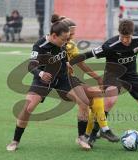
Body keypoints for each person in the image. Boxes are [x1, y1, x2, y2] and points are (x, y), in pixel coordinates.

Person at [70, 19, 138, 147]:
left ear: (132, 34)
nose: (125, 40)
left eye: (127, 37)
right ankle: (93, 134)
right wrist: (69, 62)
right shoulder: (110, 46)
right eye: (122, 37)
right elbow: (88, 54)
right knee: (109, 102)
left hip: (132, 75)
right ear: (119, 33)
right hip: (113, 76)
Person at [6, 18, 93, 151]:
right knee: (28, 108)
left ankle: (81, 137)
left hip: (62, 78)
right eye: (63, 39)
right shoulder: (39, 46)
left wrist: (67, 64)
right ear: (53, 36)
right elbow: (31, 65)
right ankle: (15, 141)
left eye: (67, 39)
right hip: (43, 79)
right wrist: (41, 74)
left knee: (84, 102)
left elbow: (62, 57)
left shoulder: (63, 42)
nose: (66, 42)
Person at [53, 14, 119, 149]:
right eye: (70, 34)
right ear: (62, 33)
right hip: (59, 82)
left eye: (73, 34)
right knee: (86, 102)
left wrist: (97, 78)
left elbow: (80, 63)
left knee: (96, 96)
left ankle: (91, 134)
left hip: (70, 79)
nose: (71, 37)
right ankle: (93, 133)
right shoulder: (55, 44)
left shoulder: (70, 45)